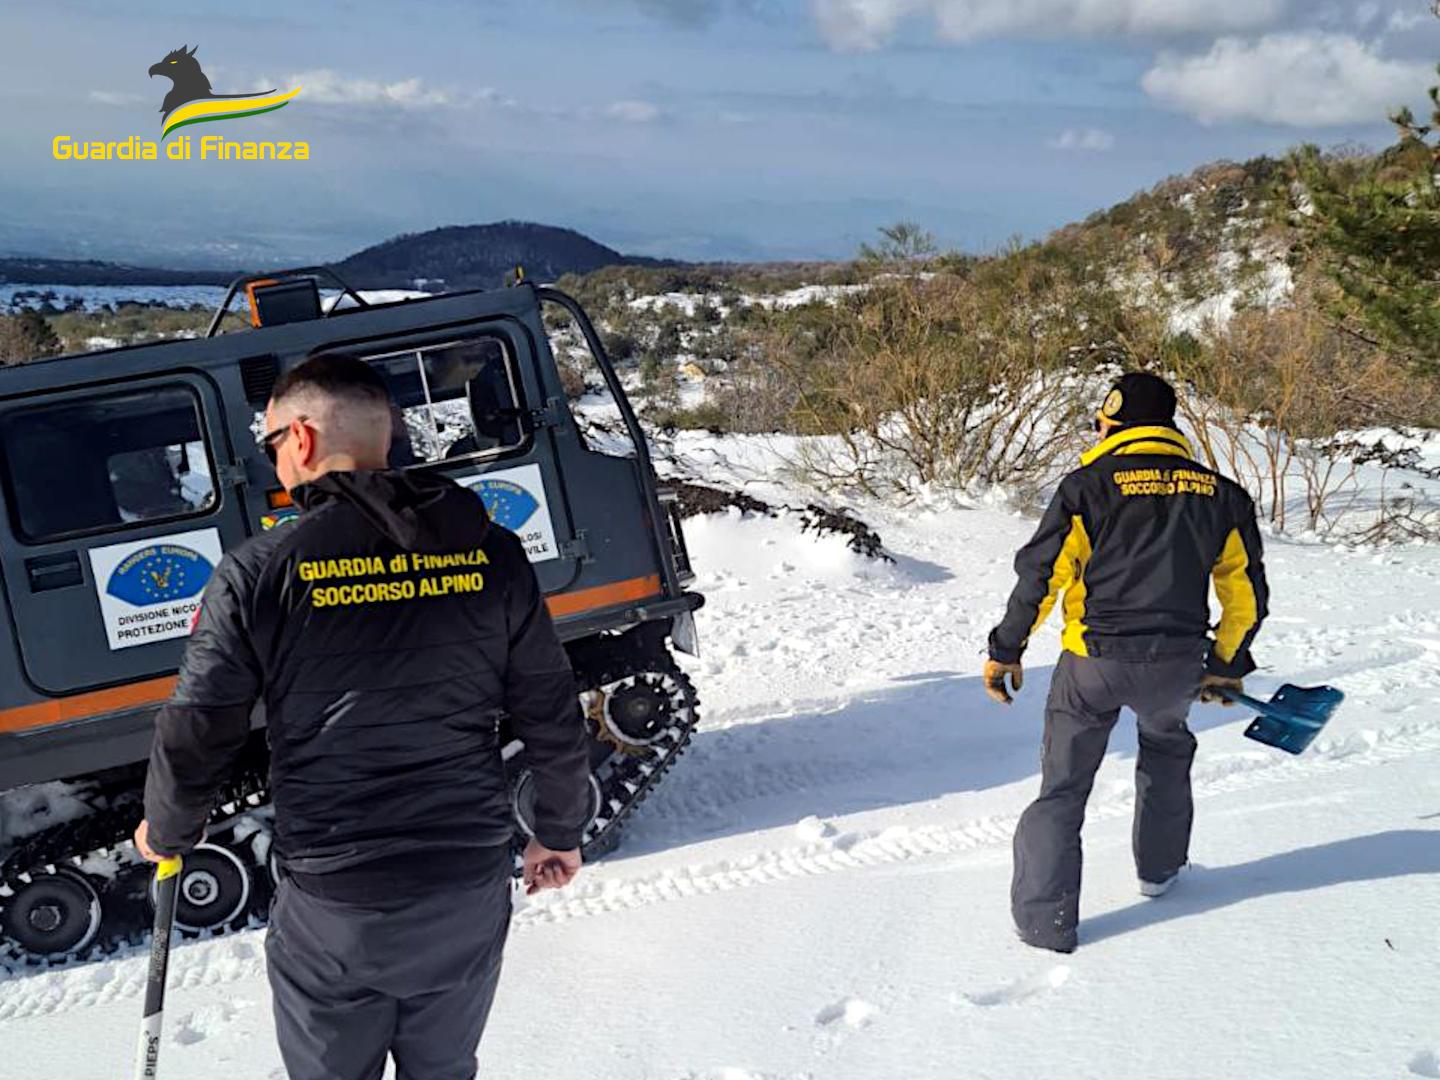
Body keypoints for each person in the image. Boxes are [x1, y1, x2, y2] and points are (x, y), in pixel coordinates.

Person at [133, 353, 592, 1080]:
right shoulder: (494, 554)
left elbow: (200, 725)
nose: (275, 461)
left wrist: (168, 829)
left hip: (337, 899)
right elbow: (550, 708)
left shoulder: (259, 571)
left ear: (304, 439)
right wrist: (560, 831)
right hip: (465, 882)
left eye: (272, 444)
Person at [985, 372, 1268, 954]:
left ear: (1112, 423)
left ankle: (1045, 924)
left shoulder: (1087, 487)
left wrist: (1008, 648)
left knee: (1063, 787)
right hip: (1176, 665)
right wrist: (1226, 662)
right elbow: (1245, 596)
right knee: (1166, 753)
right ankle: (1160, 874)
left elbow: (1043, 575)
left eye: (1099, 423)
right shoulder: (1222, 494)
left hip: (1093, 664)